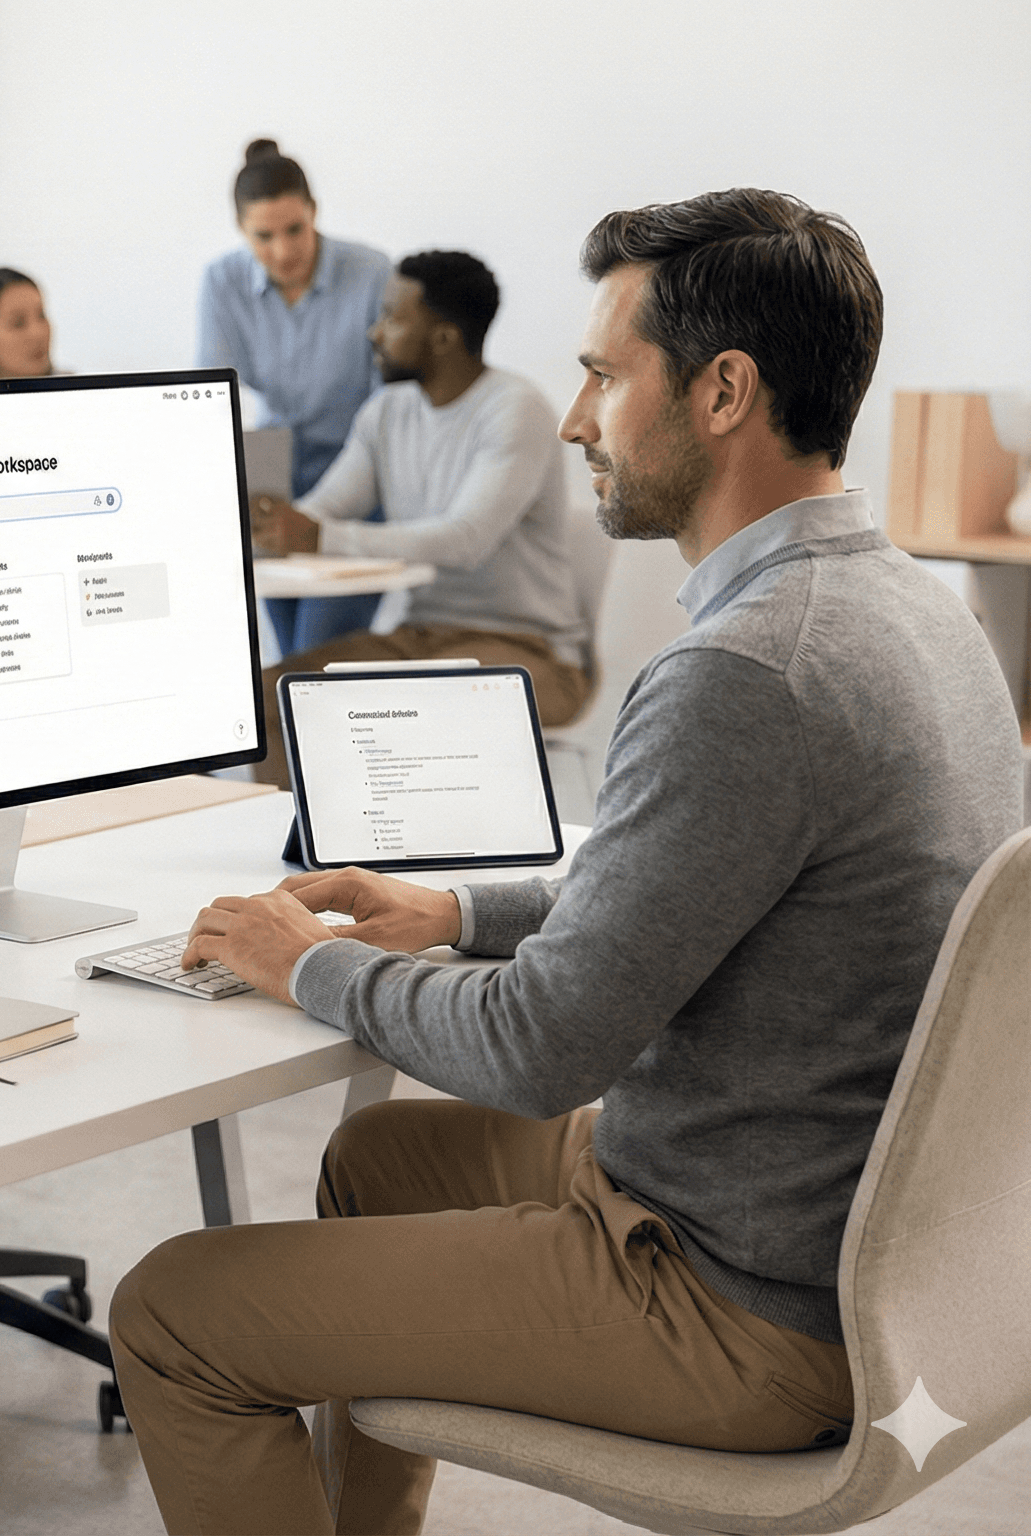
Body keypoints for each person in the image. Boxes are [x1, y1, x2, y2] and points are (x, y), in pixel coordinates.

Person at [112, 189, 1023, 1536]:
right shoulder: (913, 614)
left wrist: (313, 967)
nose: (577, 417)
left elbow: (542, 1048)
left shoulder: (744, 673)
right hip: (837, 1232)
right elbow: (711, 885)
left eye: (604, 372)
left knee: (171, 1311)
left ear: (723, 392)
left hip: (733, 1301)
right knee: (378, 1171)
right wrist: (452, 909)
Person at [242, 249, 589, 784]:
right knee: (264, 700)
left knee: (367, 706)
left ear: (444, 337)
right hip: (419, 637)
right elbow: (326, 509)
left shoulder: (515, 410)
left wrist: (317, 535)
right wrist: (276, 522)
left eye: (393, 317)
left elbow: (465, 539)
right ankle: (298, 854)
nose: (374, 333)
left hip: (530, 653)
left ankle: (365, 855)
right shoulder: (386, 412)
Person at [199, 139, 390, 655]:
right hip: (272, 483)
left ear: (314, 213)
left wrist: (330, 506)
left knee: (317, 656)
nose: (282, 252)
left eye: (294, 230)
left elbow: (387, 406)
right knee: (292, 660)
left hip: (357, 482)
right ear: (241, 230)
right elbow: (211, 402)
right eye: (263, 236)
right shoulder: (223, 282)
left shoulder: (372, 274)